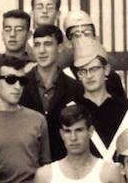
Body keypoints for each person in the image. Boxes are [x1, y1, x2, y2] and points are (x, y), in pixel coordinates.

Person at [20, 25, 85, 162]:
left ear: (60, 47)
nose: (42, 51)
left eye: (48, 44)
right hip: (28, 165)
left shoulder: (76, 88)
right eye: (37, 45)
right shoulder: (20, 85)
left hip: (64, 166)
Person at [74, 37, 128, 151]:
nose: (89, 76)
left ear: (106, 70)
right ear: (79, 75)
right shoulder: (73, 110)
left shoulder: (127, 108)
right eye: (83, 71)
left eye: (94, 69)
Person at [60, 10, 126, 98]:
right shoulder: (63, 77)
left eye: (87, 33)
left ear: (95, 37)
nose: (83, 39)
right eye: (76, 35)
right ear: (67, 42)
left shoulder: (111, 77)